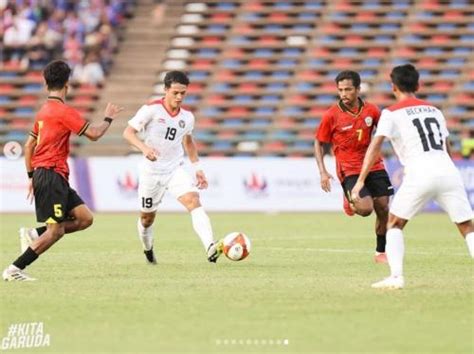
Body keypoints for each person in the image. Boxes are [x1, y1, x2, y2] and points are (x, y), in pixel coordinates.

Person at [351, 64, 474, 289]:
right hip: (448, 170)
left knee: (394, 223)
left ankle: (396, 277)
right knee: (467, 226)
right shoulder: (435, 110)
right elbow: (446, 146)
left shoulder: (391, 113)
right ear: (418, 85)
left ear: (393, 87)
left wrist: (360, 181)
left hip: (420, 172)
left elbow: (374, 147)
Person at [2, 60, 123, 281]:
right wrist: (108, 118)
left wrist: (31, 176)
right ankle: (14, 269)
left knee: (84, 218)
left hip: (50, 175)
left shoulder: (43, 111)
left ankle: (33, 234)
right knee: (55, 232)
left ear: (46, 83)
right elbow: (94, 134)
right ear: (67, 83)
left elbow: (29, 146)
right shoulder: (63, 112)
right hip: (50, 175)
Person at [122, 70, 222, 264]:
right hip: (151, 172)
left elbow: (189, 142)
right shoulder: (151, 109)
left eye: (183, 93)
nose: (179, 97)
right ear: (165, 89)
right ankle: (148, 249)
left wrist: (198, 168)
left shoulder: (187, 117)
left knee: (193, 200)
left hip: (174, 169)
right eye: (175, 92)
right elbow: (128, 132)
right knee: (146, 219)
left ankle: (210, 247)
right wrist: (144, 148)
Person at [314, 70, 394, 263]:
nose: (343, 94)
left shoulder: (372, 111)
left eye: (348, 89)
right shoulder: (331, 115)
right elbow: (318, 142)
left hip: (374, 165)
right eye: (340, 90)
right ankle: (349, 199)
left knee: (383, 207)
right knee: (366, 210)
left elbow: (385, 131)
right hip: (348, 168)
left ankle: (380, 252)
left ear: (358, 89)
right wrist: (323, 172)